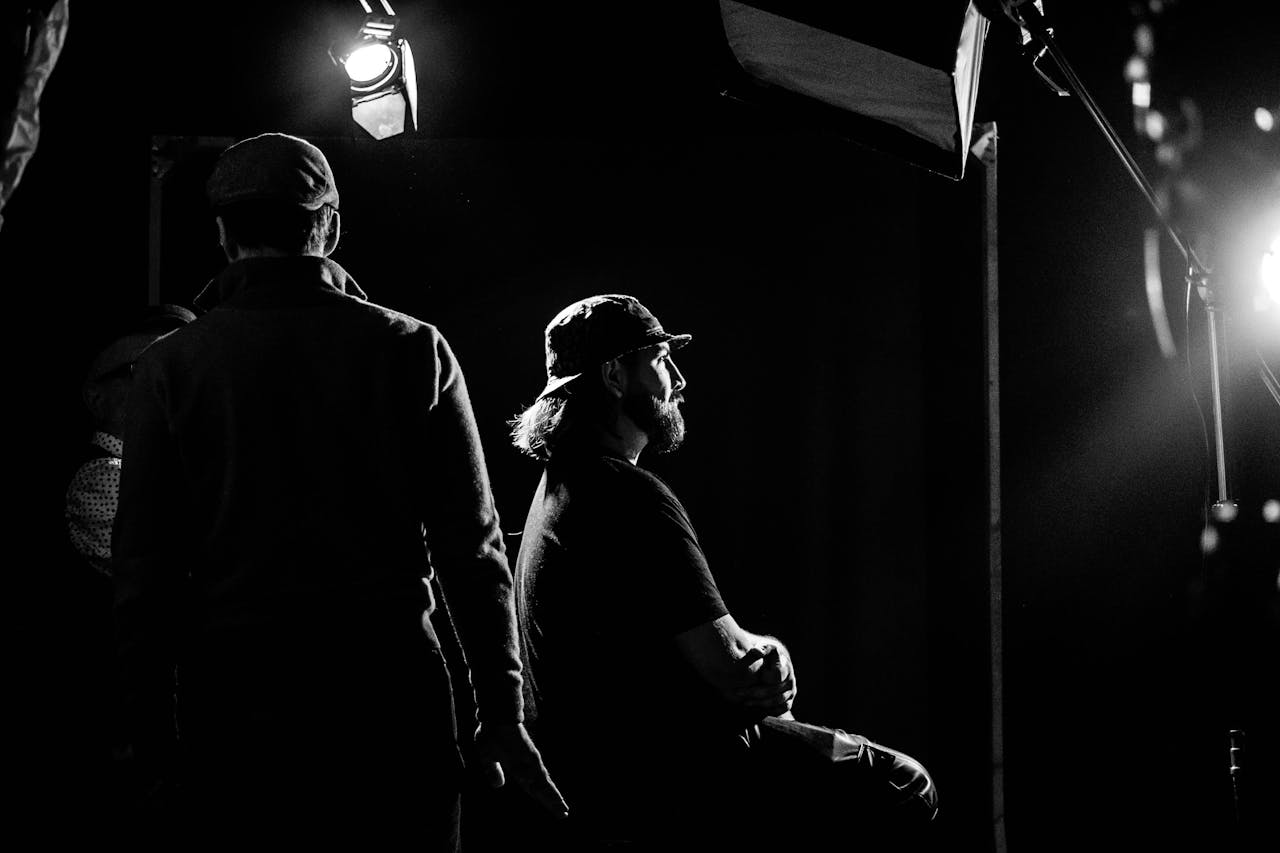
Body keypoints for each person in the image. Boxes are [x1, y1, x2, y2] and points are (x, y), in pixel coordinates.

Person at [110, 132, 565, 847]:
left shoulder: (170, 367)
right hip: (392, 707)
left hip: (238, 714)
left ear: (223, 234)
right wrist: (502, 714)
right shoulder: (415, 348)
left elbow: (144, 573)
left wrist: (153, 744)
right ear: (329, 226)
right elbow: (474, 552)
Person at [509, 294, 938, 850]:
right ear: (614, 375)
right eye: (661, 360)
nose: (679, 380)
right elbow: (735, 669)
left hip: (602, 785)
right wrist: (771, 653)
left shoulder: (557, 493)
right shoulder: (626, 493)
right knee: (905, 785)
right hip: (668, 780)